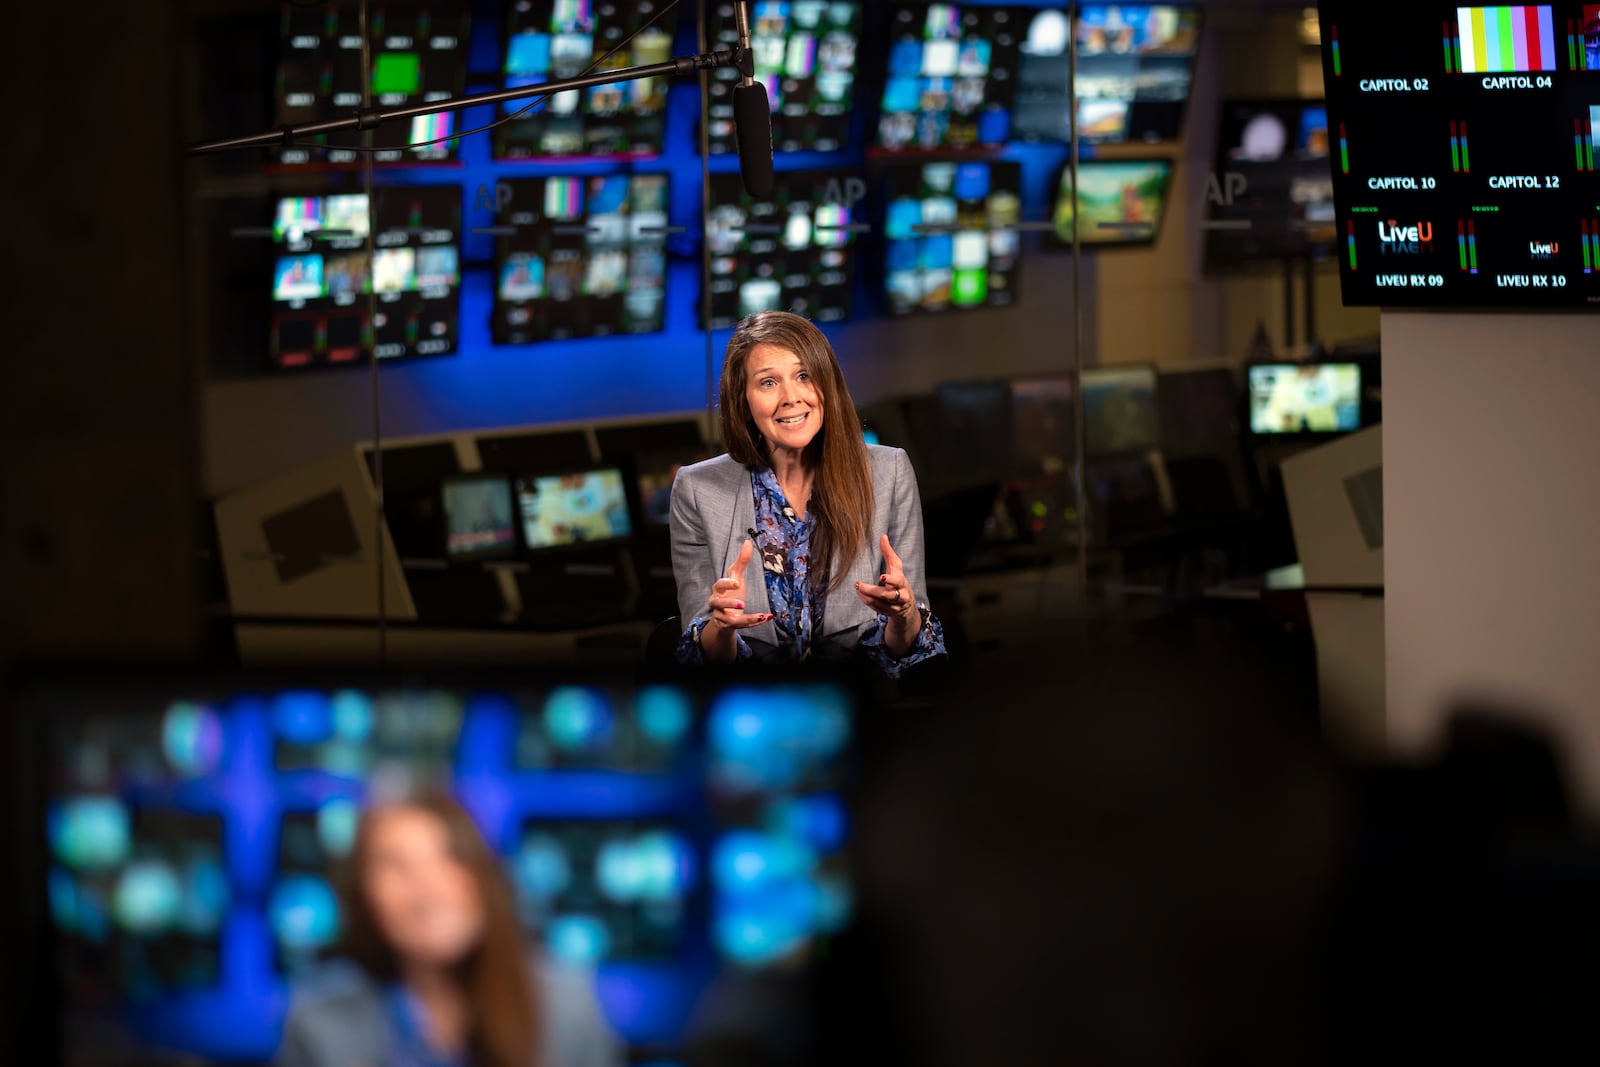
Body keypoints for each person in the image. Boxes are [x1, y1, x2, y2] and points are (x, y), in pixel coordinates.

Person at [670, 311, 947, 673]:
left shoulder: (889, 472)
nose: (791, 397)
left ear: (826, 384)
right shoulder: (697, 490)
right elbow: (700, 656)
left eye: (804, 376)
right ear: (743, 399)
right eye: (768, 383)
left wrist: (904, 615)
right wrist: (721, 627)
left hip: (859, 700)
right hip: (751, 705)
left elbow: (910, 644)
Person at [277, 792, 621, 1067]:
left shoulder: (566, 1009)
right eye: (397, 866)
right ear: (363, 897)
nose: (429, 889)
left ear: (485, 876)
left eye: (449, 856)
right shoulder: (318, 1026)